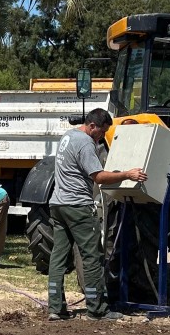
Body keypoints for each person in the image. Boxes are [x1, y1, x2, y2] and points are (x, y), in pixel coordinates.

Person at [46, 107, 147, 322]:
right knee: (92, 257)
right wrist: (127, 174)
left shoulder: (68, 136)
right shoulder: (84, 143)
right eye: (101, 132)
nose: (101, 137)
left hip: (58, 204)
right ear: (92, 126)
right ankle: (97, 309)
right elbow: (99, 177)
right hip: (77, 207)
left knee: (58, 257)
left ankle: (55, 308)